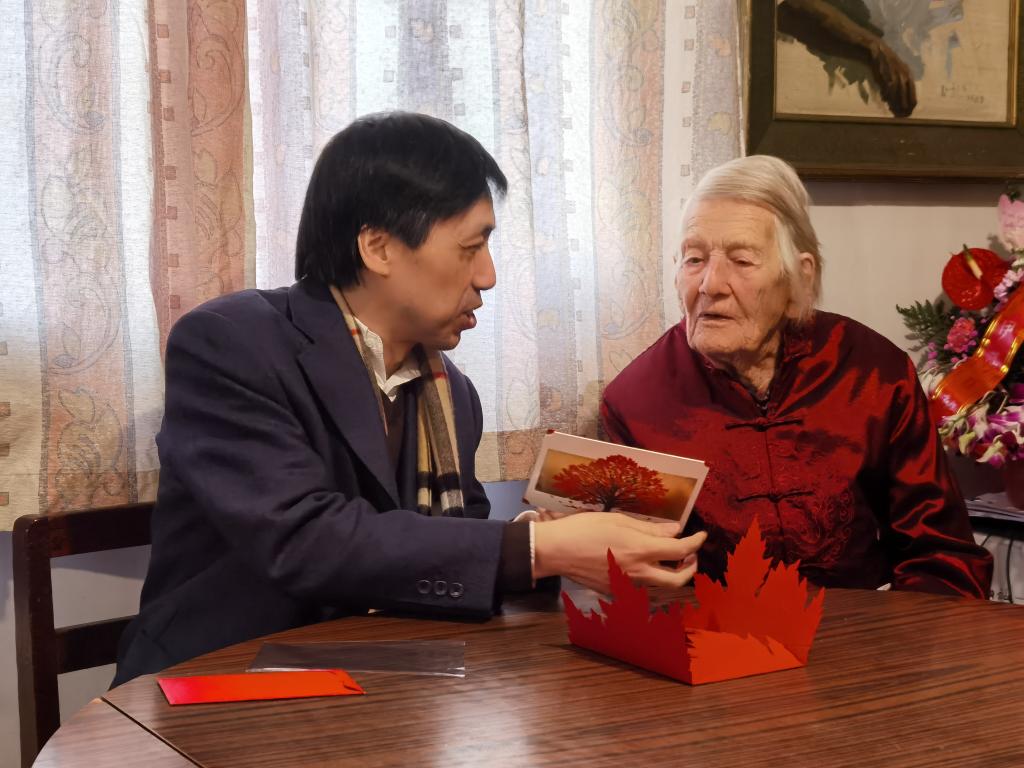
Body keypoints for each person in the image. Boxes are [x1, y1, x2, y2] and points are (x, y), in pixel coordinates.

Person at [114, 112, 706, 685]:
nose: (488, 276)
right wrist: (536, 548)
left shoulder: (453, 397)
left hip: (382, 682)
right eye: (471, 247)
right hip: (219, 680)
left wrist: (547, 539)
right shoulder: (232, 343)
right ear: (379, 247)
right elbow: (304, 540)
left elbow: (445, 556)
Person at [601, 154, 992, 598]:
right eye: (694, 259)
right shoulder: (637, 402)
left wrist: (898, 637)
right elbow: (642, 579)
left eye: (742, 260)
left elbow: (940, 554)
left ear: (799, 278)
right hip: (712, 632)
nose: (709, 284)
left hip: (865, 630)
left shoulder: (874, 374)